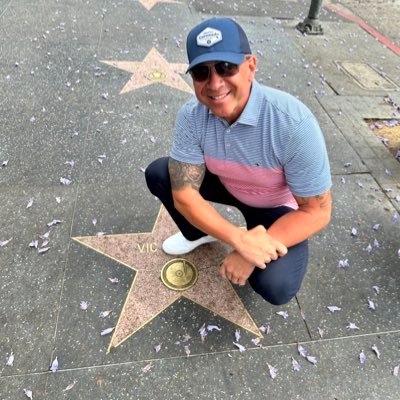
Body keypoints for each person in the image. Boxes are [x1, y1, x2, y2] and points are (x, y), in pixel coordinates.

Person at [145, 17, 332, 305]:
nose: (215, 83)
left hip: (276, 207)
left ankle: (256, 242)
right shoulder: (191, 115)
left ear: (251, 66)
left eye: (226, 67)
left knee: (276, 285)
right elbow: (184, 196)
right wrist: (239, 239)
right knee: (161, 173)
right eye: (201, 73)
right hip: (229, 184)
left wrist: (255, 249)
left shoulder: (293, 123)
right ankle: (197, 234)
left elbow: (317, 212)